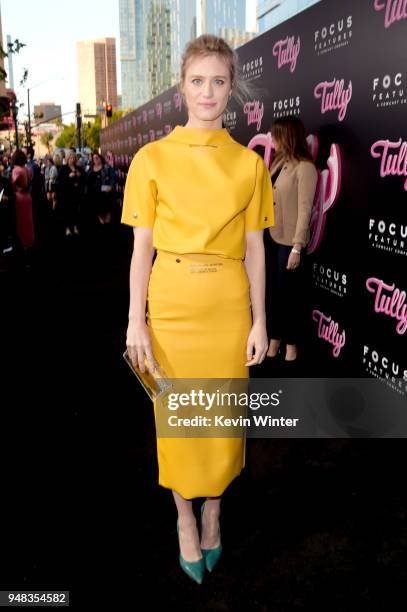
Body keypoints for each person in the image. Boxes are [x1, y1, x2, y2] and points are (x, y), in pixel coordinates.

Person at [122, 34, 274, 584]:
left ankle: (215, 507)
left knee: (223, 419)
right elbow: (142, 249)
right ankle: (185, 515)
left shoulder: (249, 165)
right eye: (196, 81)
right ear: (181, 86)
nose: (206, 92)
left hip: (228, 305)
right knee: (178, 419)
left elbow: (257, 249)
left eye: (217, 81)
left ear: (231, 89)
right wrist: (136, 319)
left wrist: (260, 319)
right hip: (171, 305)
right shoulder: (151, 158)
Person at [266, 117, 318, 362]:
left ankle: (292, 344)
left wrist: (297, 247)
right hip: (272, 238)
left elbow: (305, 209)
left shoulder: (305, 167)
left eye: (275, 135)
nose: (271, 139)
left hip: (290, 244)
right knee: (275, 294)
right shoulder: (278, 163)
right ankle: (274, 338)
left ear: (287, 136)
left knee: (291, 298)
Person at [10, 149, 34, 254]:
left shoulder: (16, 170)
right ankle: (29, 243)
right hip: (28, 197)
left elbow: (13, 183)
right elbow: (30, 179)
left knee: (21, 222)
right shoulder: (27, 169)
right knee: (28, 221)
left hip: (19, 198)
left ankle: (22, 245)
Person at [58, 153, 85, 236]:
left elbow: (85, 179)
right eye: (70, 158)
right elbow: (60, 181)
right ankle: (67, 228)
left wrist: (80, 176)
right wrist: (68, 176)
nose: (72, 160)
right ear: (67, 159)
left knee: (76, 211)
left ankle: (75, 227)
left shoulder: (79, 168)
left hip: (76, 194)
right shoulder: (63, 168)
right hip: (66, 194)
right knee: (67, 211)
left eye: (74, 158)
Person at [86, 153, 116, 226]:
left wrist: (111, 186)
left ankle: (108, 226)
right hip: (95, 195)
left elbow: (113, 178)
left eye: (97, 158)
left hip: (105, 194)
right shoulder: (90, 169)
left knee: (108, 211)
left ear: (100, 158)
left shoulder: (107, 167)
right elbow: (87, 181)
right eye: (94, 158)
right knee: (99, 212)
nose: (96, 159)